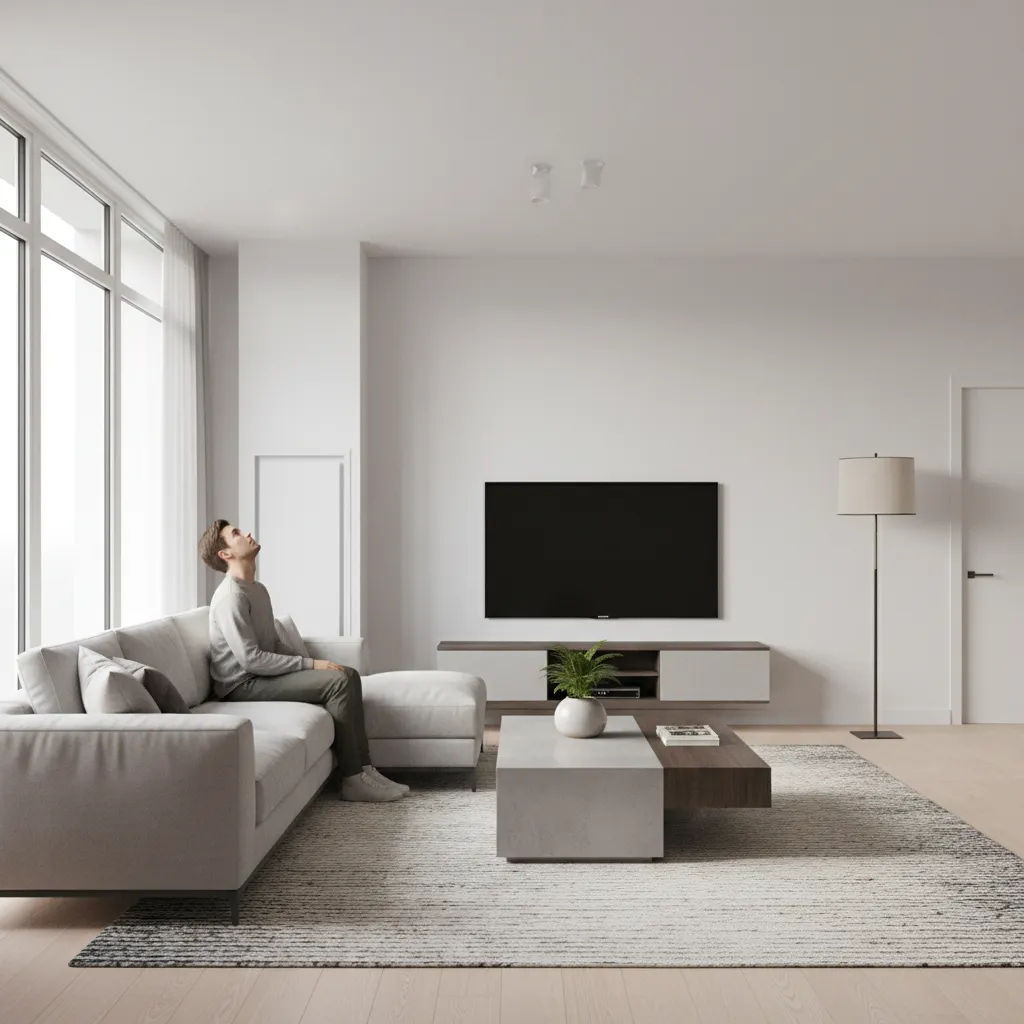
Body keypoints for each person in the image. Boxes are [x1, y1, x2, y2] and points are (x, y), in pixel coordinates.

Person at [198, 519, 407, 802]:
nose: (246, 533)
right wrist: (310, 666)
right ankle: (353, 779)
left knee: (348, 674)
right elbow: (250, 660)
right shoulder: (230, 598)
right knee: (338, 683)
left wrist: (312, 664)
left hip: (259, 676)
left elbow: (271, 644)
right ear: (226, 554)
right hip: (241, 685)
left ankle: (366, 768)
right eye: (235, 534)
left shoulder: (257, 589)